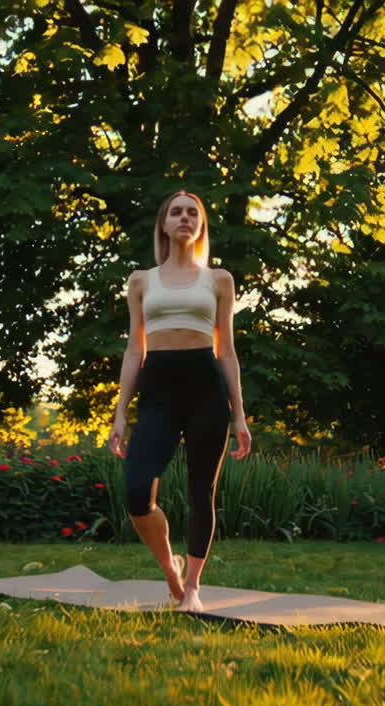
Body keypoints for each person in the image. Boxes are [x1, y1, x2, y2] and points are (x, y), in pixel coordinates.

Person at [107, 190, 252, 613]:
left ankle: (192, 588)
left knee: (200, 491)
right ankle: (168, 569)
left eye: (193, 213)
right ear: (164, 224)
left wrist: (239, 414)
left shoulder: (219, 279)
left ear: (200, 226)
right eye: (176, 212)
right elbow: (135, 350)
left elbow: (226, 350)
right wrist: (120, 414)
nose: (185, 218)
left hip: (206, 387)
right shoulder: (141, 281)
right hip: (158, 390)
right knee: (137, 492)